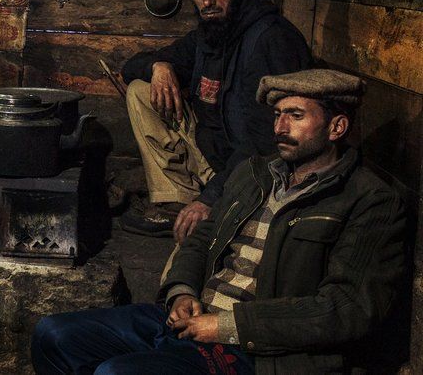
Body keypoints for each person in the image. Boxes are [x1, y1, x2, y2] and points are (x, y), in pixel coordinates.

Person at [32, 69, 406, 374]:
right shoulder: (255, 174)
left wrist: (227, 326)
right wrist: (182, 292)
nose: (279, 127)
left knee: (117, 373)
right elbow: (202, 237)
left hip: (260, 353)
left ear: (336, 128)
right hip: (195, 318)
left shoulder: (370, 200)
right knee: (54, 334)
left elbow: (348, 309)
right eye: (277, 115)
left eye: (296, 115)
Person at [120, 0, 310, 241]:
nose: (208, 0)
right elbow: (131, 66)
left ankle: (203, 205)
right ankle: (177, 200)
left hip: (253, 171)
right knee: (141, 90)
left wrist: (211, 198)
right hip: (213, 156)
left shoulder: (269, 39)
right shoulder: (209, 34)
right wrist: (159, 66)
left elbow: (267, 144)